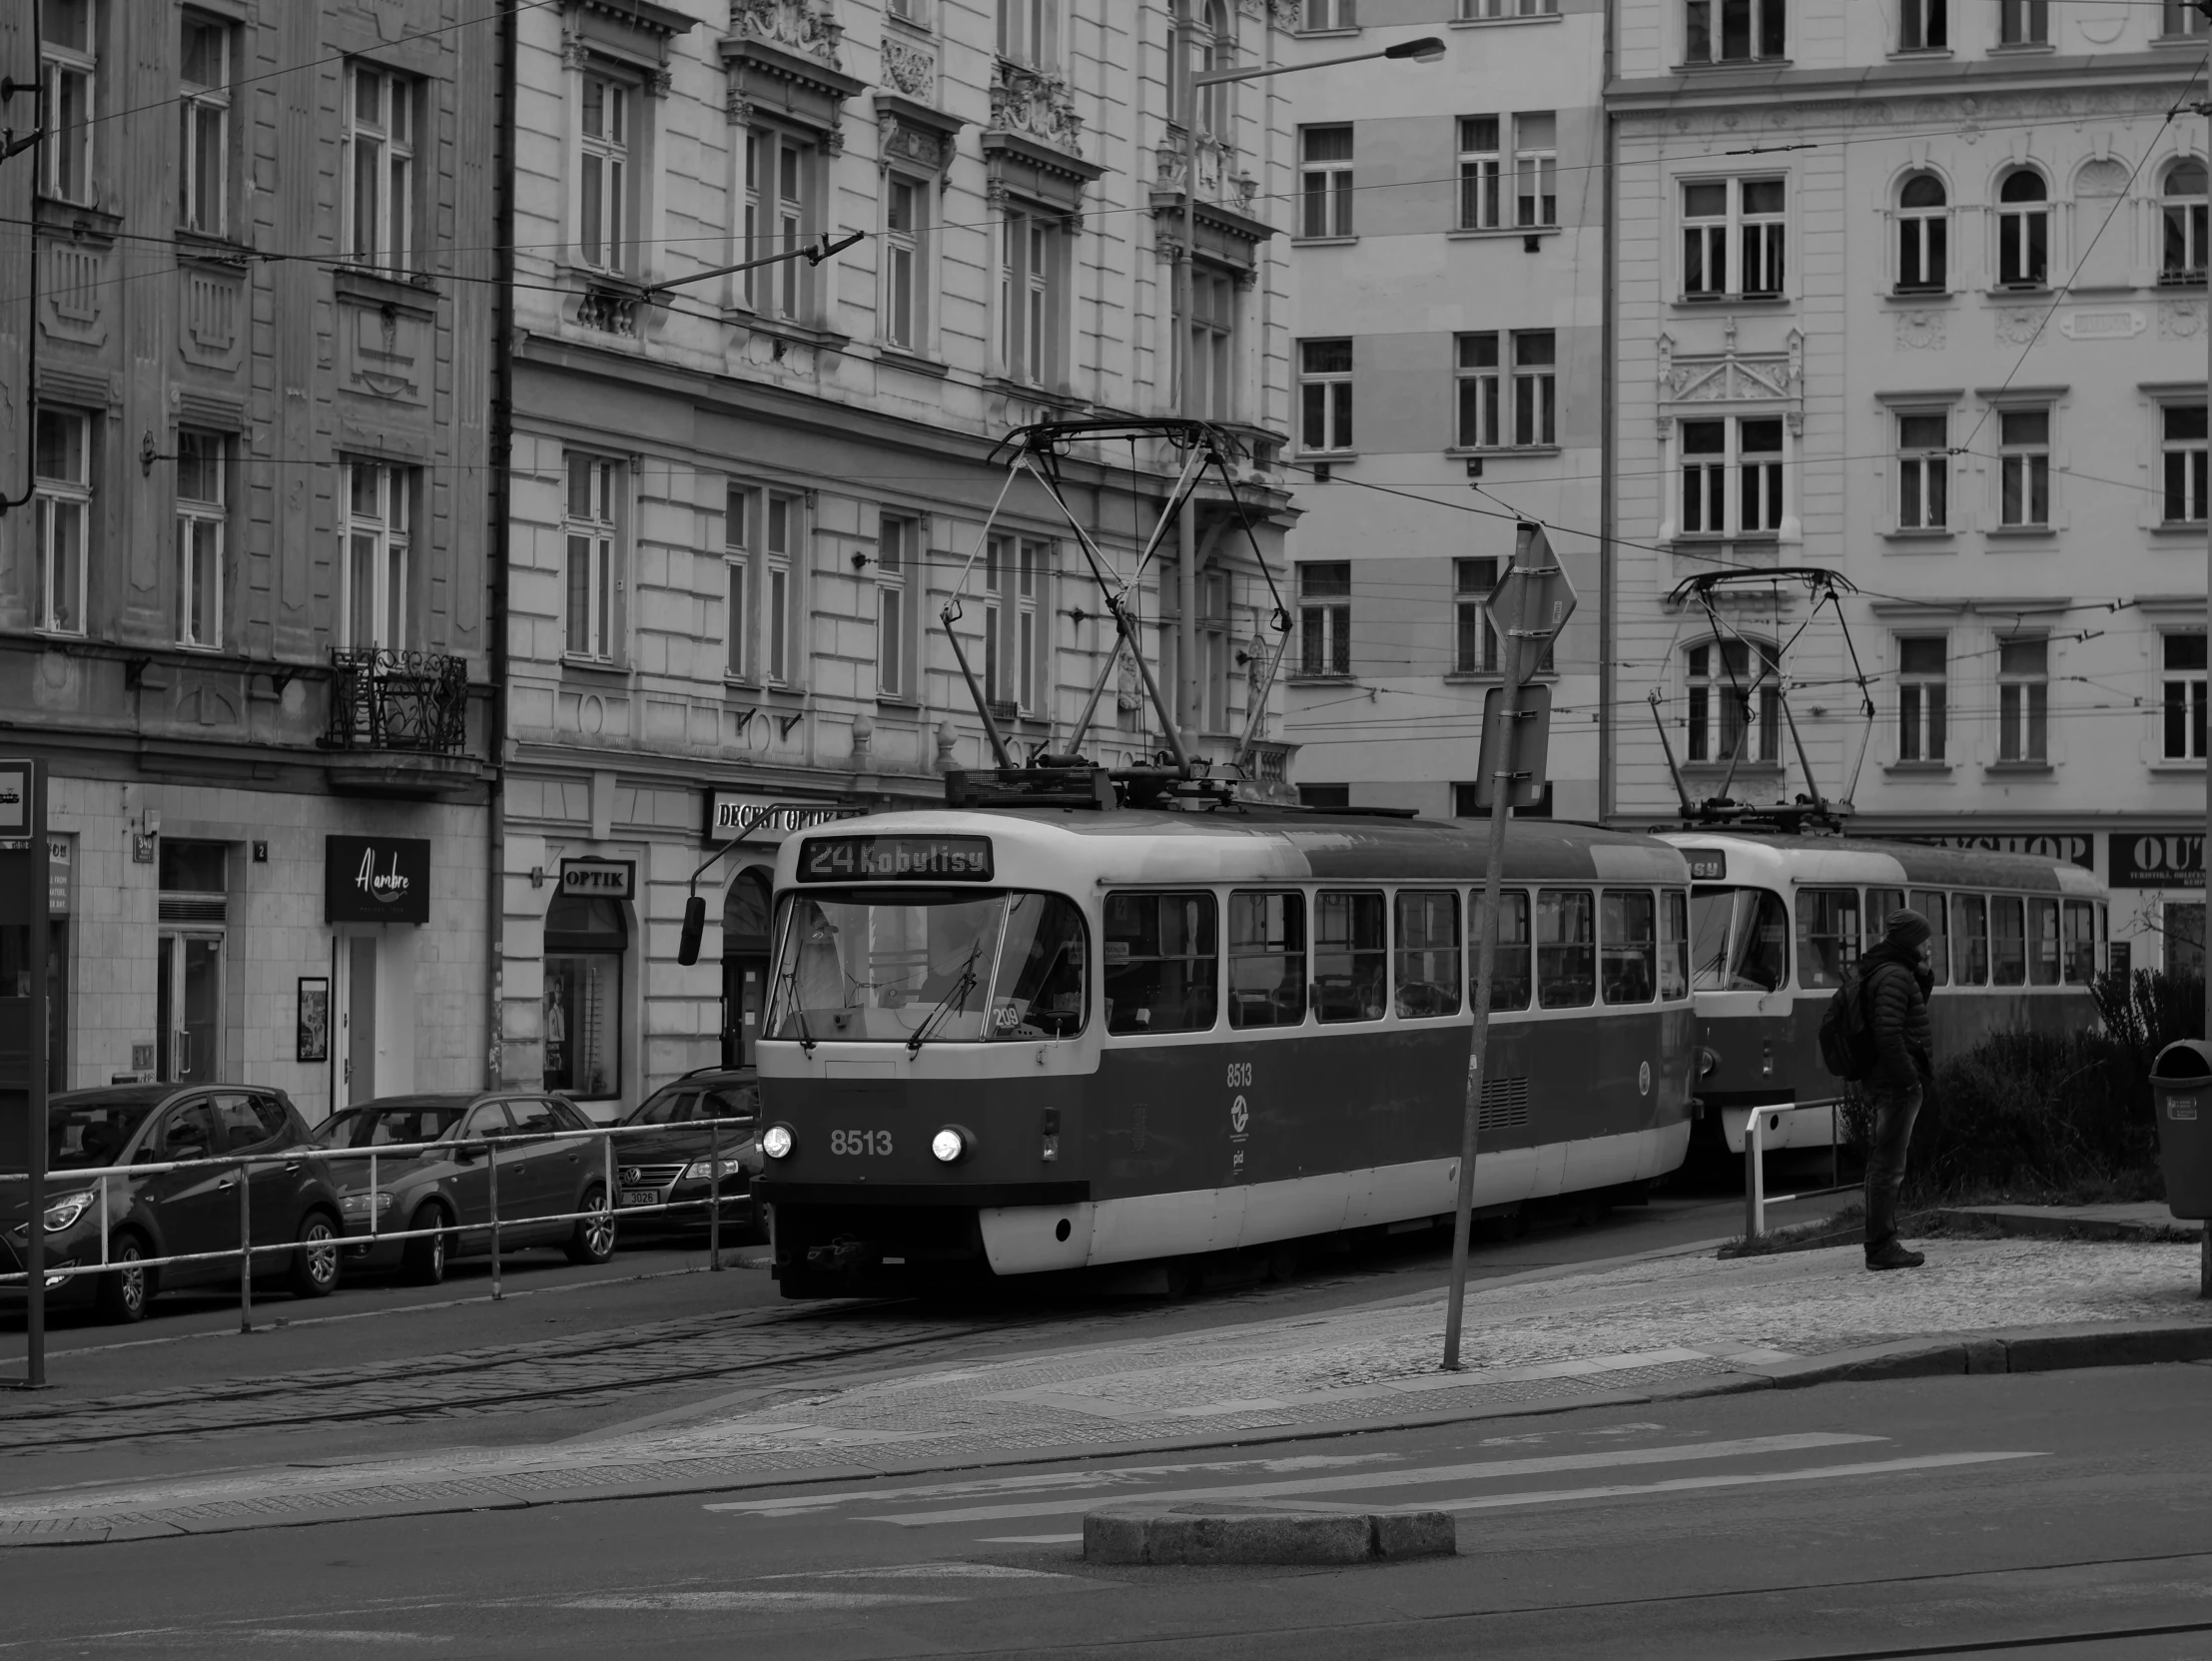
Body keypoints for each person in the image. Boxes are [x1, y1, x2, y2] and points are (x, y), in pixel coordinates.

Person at [1861, 908, 1936, 1271]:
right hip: (1895, 1086)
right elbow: (1889, 1035)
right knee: (1888, 1167)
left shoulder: (1897, 973)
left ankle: (1880, 1242)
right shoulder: (1893, 976)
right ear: (1910, 942)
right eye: (1924, 940)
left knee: (1883, 1164)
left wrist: (1923, 977)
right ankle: (1882, 1246)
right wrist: (1910, 1079)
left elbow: (1908, 1016)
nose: (1929, 946)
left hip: (1891, 1083)